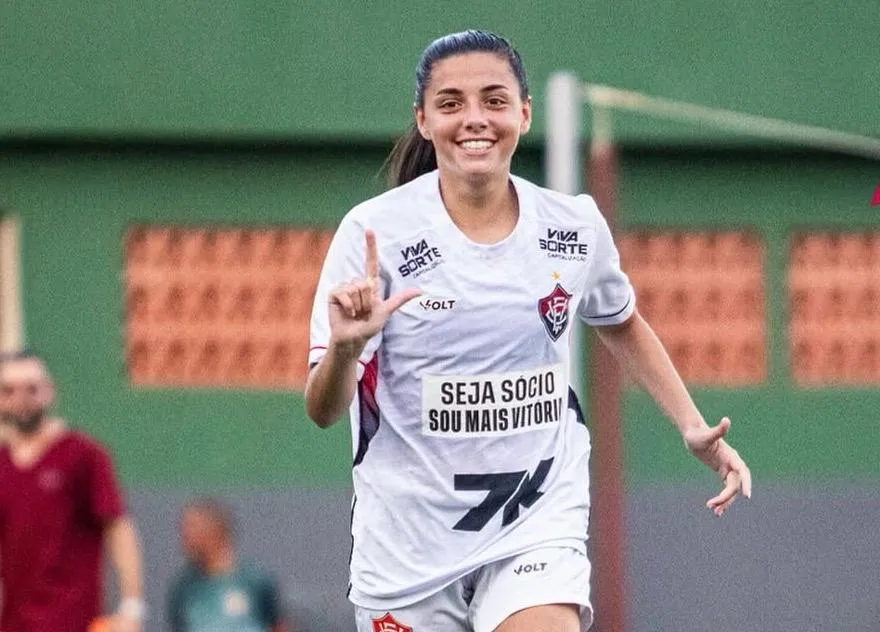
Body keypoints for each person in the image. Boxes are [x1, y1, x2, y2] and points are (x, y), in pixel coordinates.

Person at [305, 30, 752, 632]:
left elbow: (622, 322)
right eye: (451, 103)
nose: (474, 120)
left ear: (524, 112)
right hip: (406, 548)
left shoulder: (574, 226)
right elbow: (324, 409)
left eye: (494, 100)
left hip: (534, 524)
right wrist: (345, 347)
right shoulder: (373, 234)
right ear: (424, 119)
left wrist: (692, 425)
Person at [0, 350, 145, 632]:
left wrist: (132, 606)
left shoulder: (83, 455)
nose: (21, 399)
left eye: (32, 389)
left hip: (72, 622)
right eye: (9, 390)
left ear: (50, 392)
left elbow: (119, 529)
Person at [166, 497, 293, 632]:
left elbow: (278, 625)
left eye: (192, 527)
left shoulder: (256, 581)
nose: (185, 536)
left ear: (215, 530)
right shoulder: (182, 588)